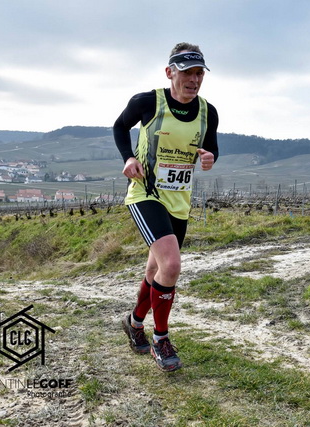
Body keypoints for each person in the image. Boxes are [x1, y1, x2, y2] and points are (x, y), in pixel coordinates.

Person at [113, 42, 219, 371]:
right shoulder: (147, 102)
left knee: (156, 271)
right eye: (187, 72)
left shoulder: (207, 112)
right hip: (146, 193)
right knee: (171, 266)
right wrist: (128, 157)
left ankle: (134, 323)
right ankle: (161, 339)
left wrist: (209, 157)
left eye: (199, 73)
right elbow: (119, 127)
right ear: (170, 72)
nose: (194, 79)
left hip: (179, 201)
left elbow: (211, 147)